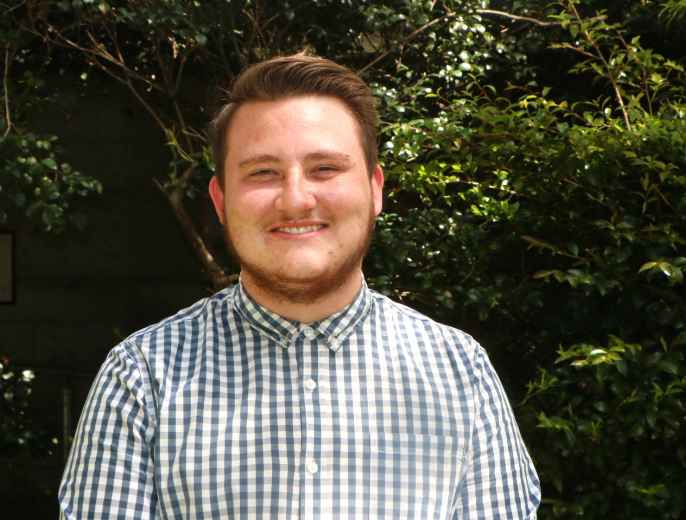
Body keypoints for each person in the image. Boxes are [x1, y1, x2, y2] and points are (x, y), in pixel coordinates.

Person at [59, 53, 541, 519]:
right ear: (220, 199)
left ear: (375, 189)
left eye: (325, 168)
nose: (295, 199)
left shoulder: (459, 372)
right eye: (263, 172)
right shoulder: (142, 377)